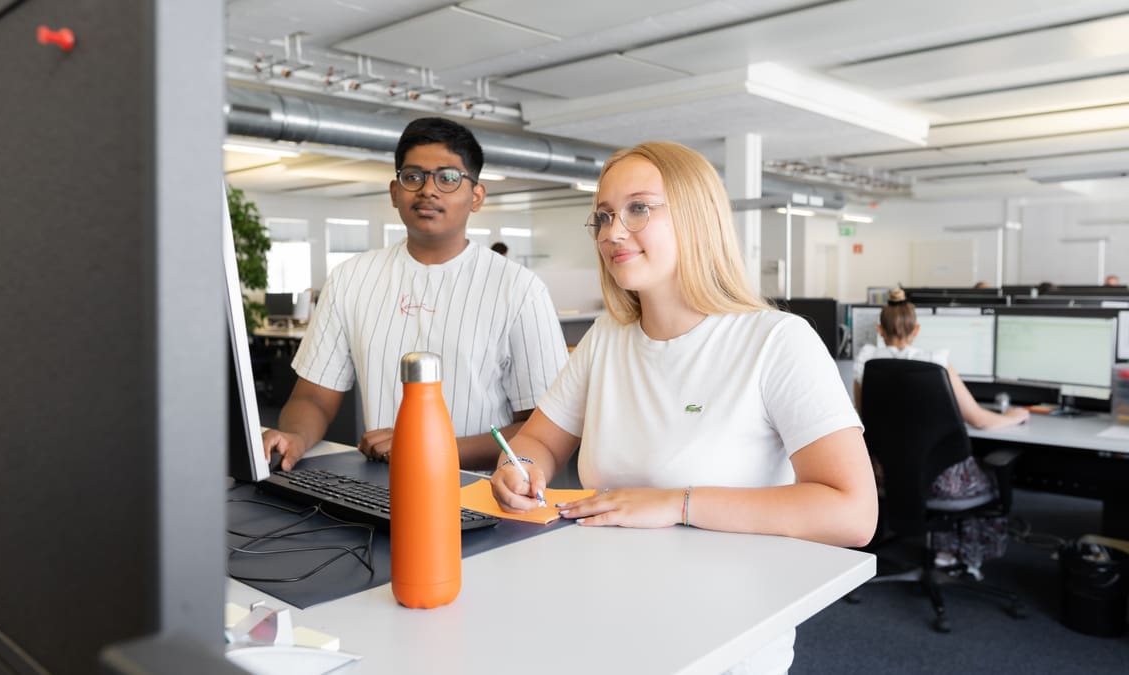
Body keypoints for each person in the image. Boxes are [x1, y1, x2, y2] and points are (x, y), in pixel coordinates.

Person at [490, 141, 876, 675]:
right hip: (604, 615)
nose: (612, 231)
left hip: (723, 635)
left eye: (638, 208)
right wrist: (521, 466)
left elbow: (853, 513)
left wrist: (676, 503)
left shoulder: (776, 340)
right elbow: (538, 440)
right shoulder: (607, 338)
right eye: (602, 215)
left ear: (696, 218)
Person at [262, 117, 568, 471]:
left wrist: (428, 449)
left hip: (484, 492)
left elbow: (545, 429)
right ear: (395, 192)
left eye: (448, 178)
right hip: (380, 485)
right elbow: (313, 396)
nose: (428, 190)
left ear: (477, 196)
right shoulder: (351, 279)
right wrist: (295, 438)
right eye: (414, 177)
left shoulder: (519, 289)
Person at [853, 287, 1027, 576]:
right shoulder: (935, 362)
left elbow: (864, 423)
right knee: (985, 470)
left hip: (887, 476)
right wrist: (1012, 416)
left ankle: (943, 550)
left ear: (879, 329)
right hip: (943, 483)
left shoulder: (865, 364)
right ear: (917, 329)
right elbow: (982, 421)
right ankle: (957, 555)